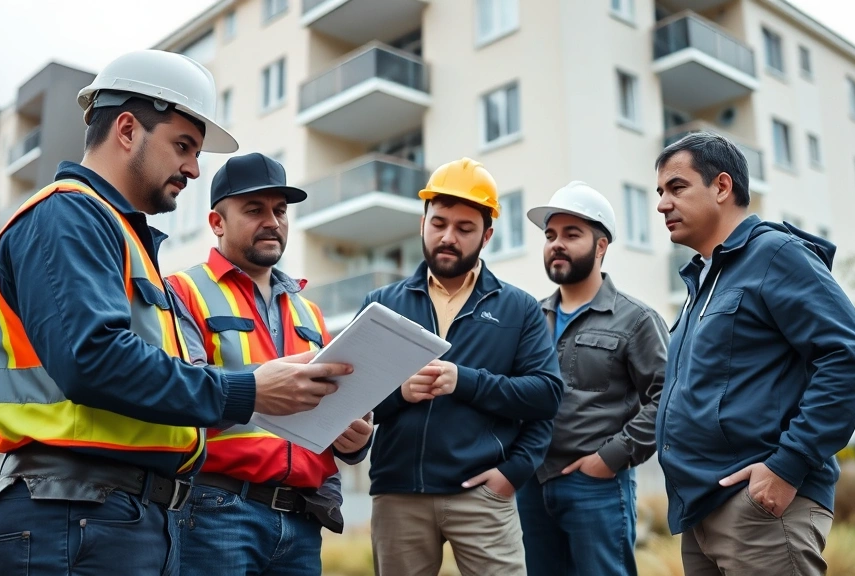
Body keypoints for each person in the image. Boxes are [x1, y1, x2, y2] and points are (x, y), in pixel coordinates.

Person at [0, 50, 351, 576]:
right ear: (127, 129)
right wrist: (249, 390)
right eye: (183, 146)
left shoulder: (120, 238)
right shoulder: (67, 215)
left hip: (116, 514)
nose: (194, 169)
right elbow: (94, 360)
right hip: (72, 511)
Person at [653, 132, 855, 574]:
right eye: (660, 192)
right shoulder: (702, 282)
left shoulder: (775, 254)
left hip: (760, 509)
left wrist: (786, 465)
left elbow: (852, 359)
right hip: (701, 511)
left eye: (677, 188)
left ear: (722, 187)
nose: (663, 203)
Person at [165, 153, 373, 576]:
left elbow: (334, 410)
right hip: (216, 511)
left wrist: (354, 440)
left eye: (280, 210)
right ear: (216, 222)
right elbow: (178, 396)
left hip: (301, 518)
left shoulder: (310, 314)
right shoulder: (182, 292)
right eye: (254, 210)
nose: (273, 221)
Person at [363, 157, 563, 576]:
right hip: (398, 495)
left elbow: (545, 396)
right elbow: (352, 402)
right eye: (439, 223)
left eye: (465, 228)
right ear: (423, 223)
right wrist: (400, 394)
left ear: (487, 235)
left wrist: (511, 472)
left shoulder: (519, 308)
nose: (448, 237)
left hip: (482, 496)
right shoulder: (381, 305)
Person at [517, 181, 668, 576]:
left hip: (597, 487)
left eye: (571, 234)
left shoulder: (636, 320)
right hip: (531, 485)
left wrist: (610, 459)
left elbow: (667, 399)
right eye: (550, 236)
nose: (556, 244)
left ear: (601, 246)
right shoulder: (531, 319)